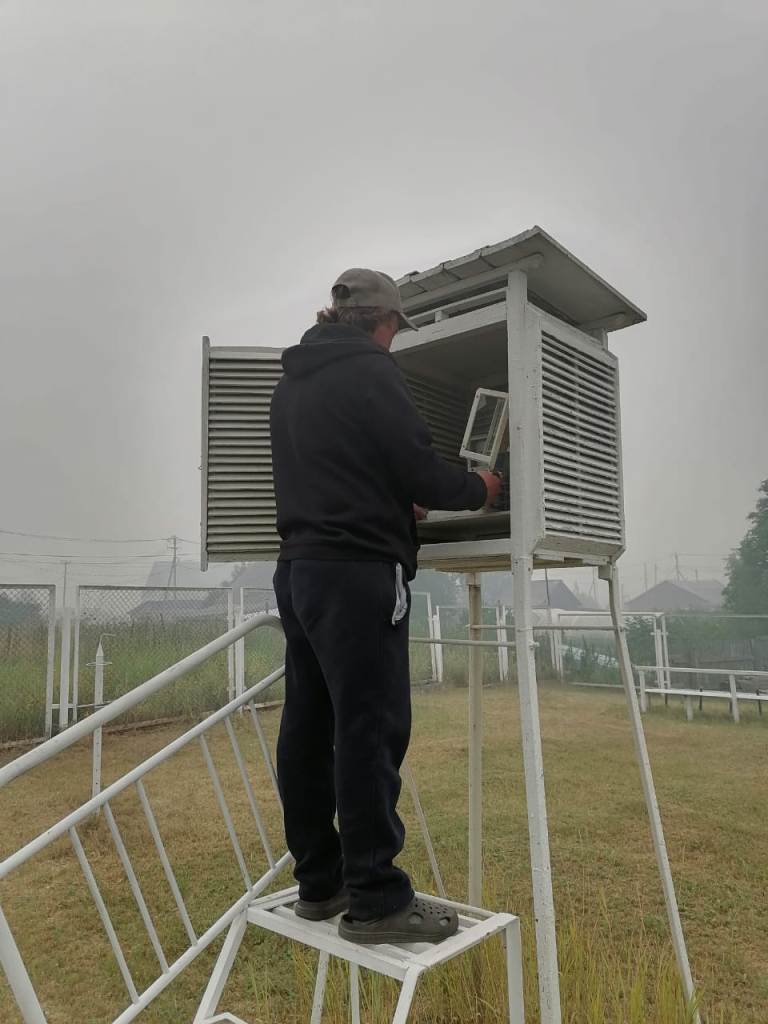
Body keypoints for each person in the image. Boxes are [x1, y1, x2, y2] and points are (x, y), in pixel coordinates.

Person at [269, 267, 501, 944]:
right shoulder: (371, 372)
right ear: (383, 322)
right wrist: (478, 486)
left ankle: (322, 881)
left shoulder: (292, 384)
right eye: (396, 330)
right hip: (359, 575)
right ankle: (377, 899)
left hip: (300, 572)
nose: (395, 342)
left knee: (309, 727)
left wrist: (396, 497)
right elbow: (420, 469)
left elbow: (346, 472)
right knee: (370, 729)